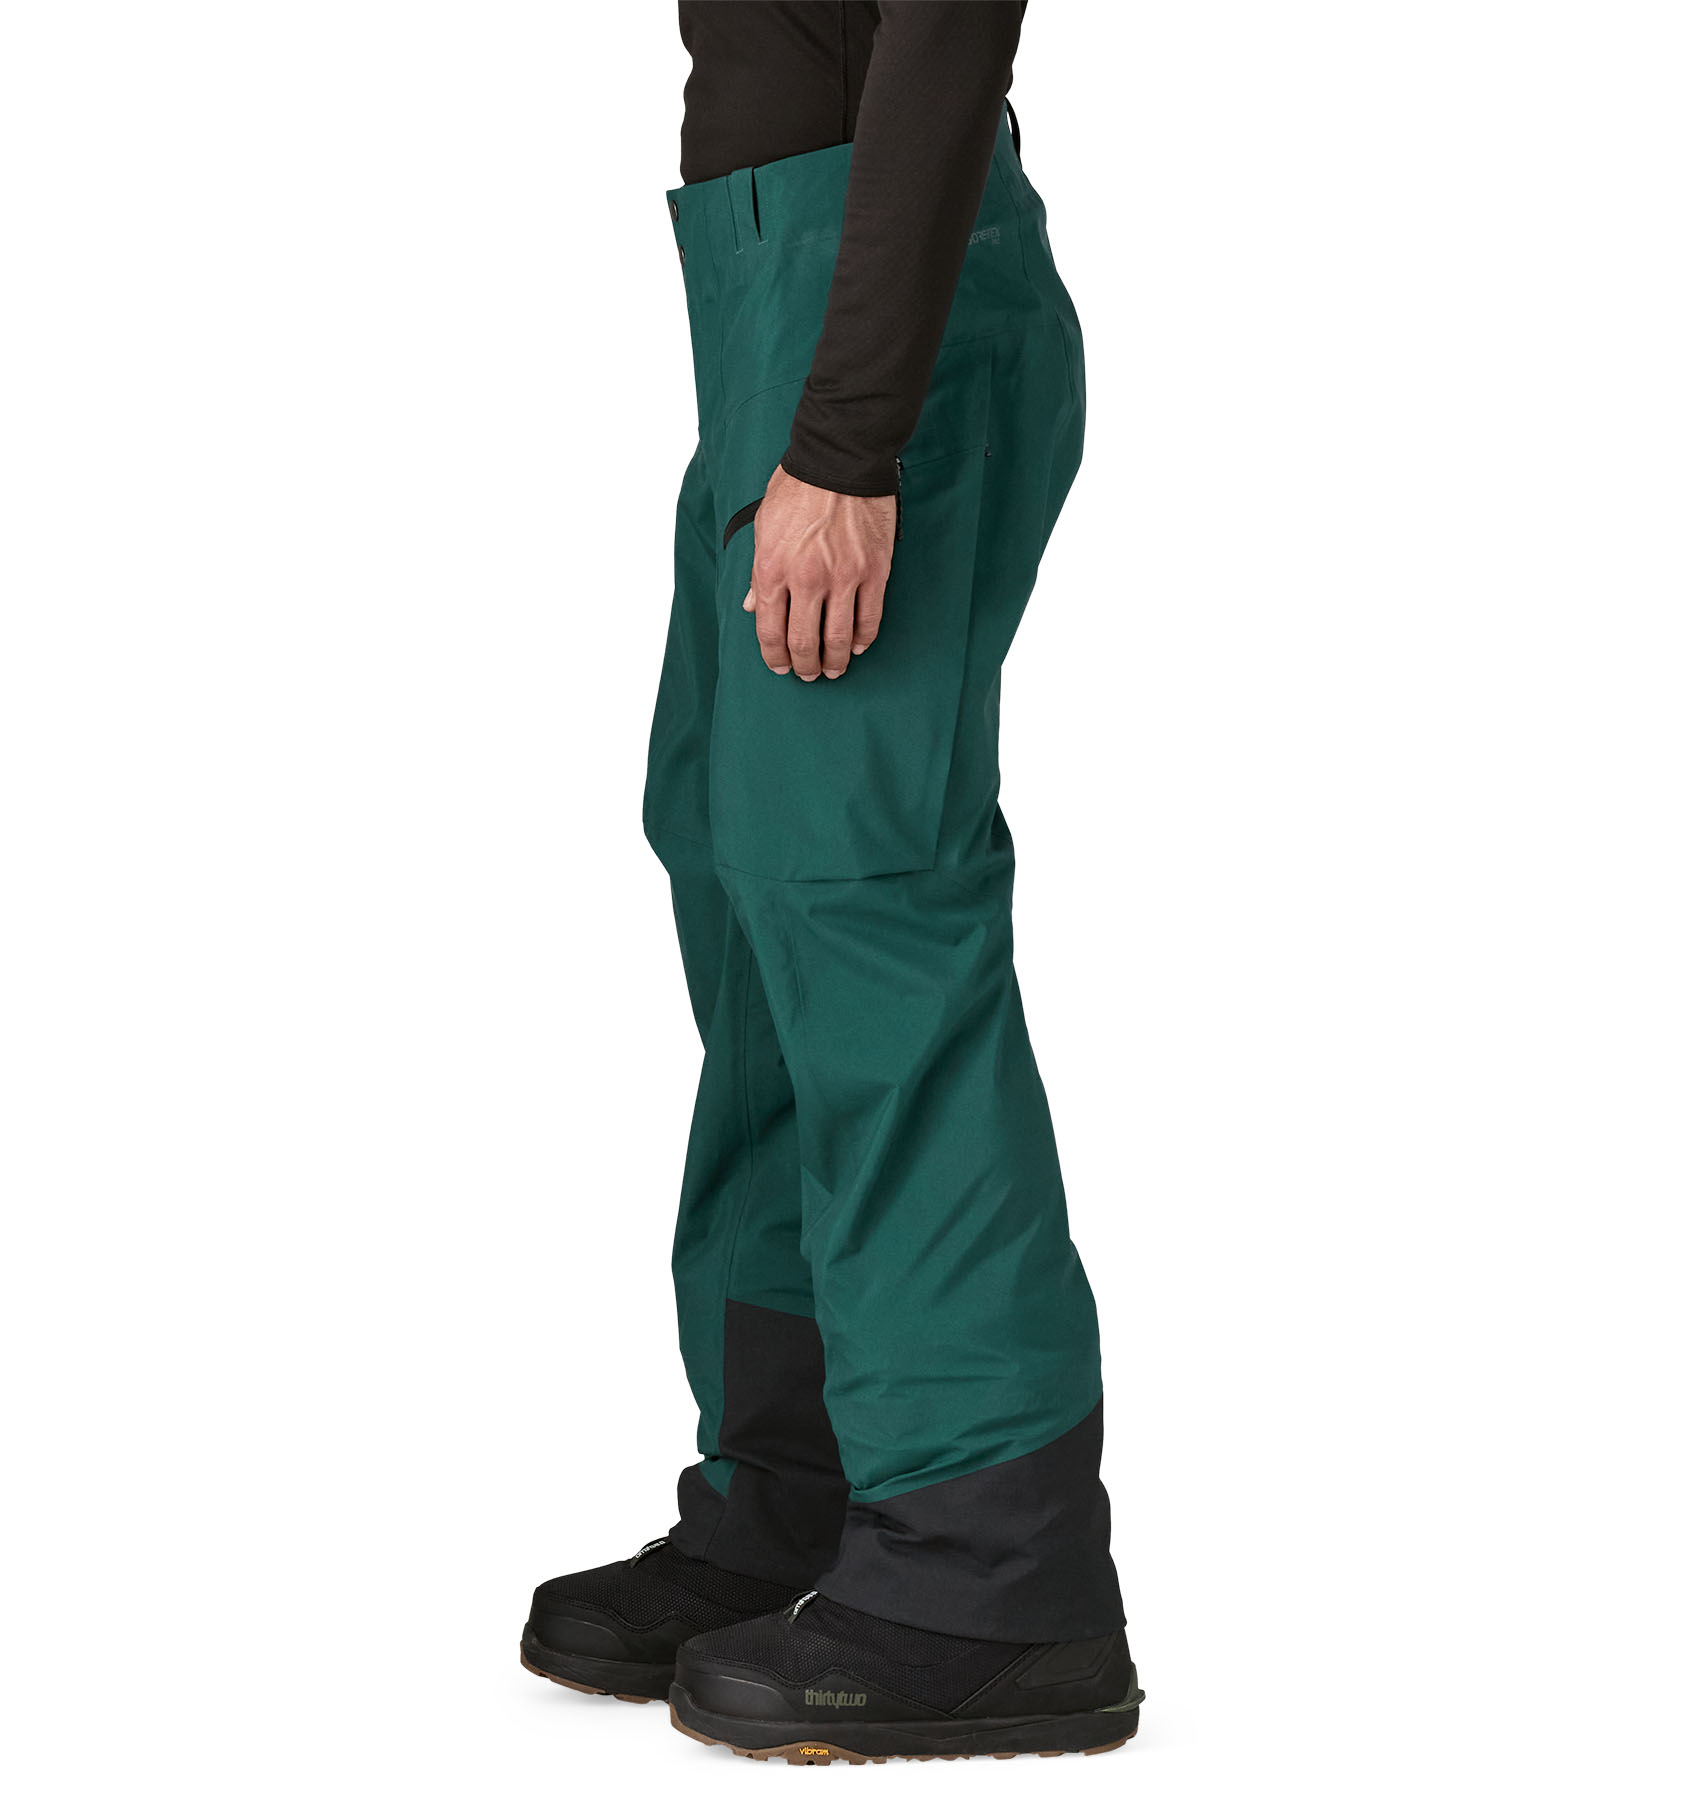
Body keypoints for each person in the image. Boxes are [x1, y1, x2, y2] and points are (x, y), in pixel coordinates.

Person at [519, 2, 1141, 1763]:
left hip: (880, 326)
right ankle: (801, 1488)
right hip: (772, 318)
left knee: (864, 914)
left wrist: (851, 438)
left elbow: (946, 28)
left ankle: (992, 1568)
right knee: (742, 882)